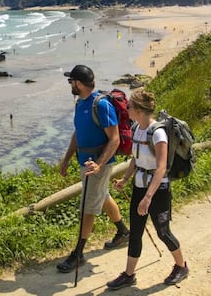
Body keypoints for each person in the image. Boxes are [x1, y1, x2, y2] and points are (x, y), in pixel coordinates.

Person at [107, 89, 188, 290]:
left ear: (140, 110)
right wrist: (125, 179)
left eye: (130, 106)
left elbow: (161, 168)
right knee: (135, 232)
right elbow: (135, 158)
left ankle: (181, 266)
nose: (127, 108)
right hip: (139, 187)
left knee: (163, 232)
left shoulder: (158, 133)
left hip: (157, 190)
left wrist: (148, 198)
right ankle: (129, 275)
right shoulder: (136, 128)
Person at [57, 65, 130, 273]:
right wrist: (66, 159)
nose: (70, 84)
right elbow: (78, 133)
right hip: (86, 163)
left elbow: (114, 139)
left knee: (88, 208)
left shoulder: (102, 105)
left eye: (71, 81)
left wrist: (99, 165)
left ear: (79, 83)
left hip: (98, 165)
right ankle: (123, 232)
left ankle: (78, 253)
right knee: (102, 196)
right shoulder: (80, 103)